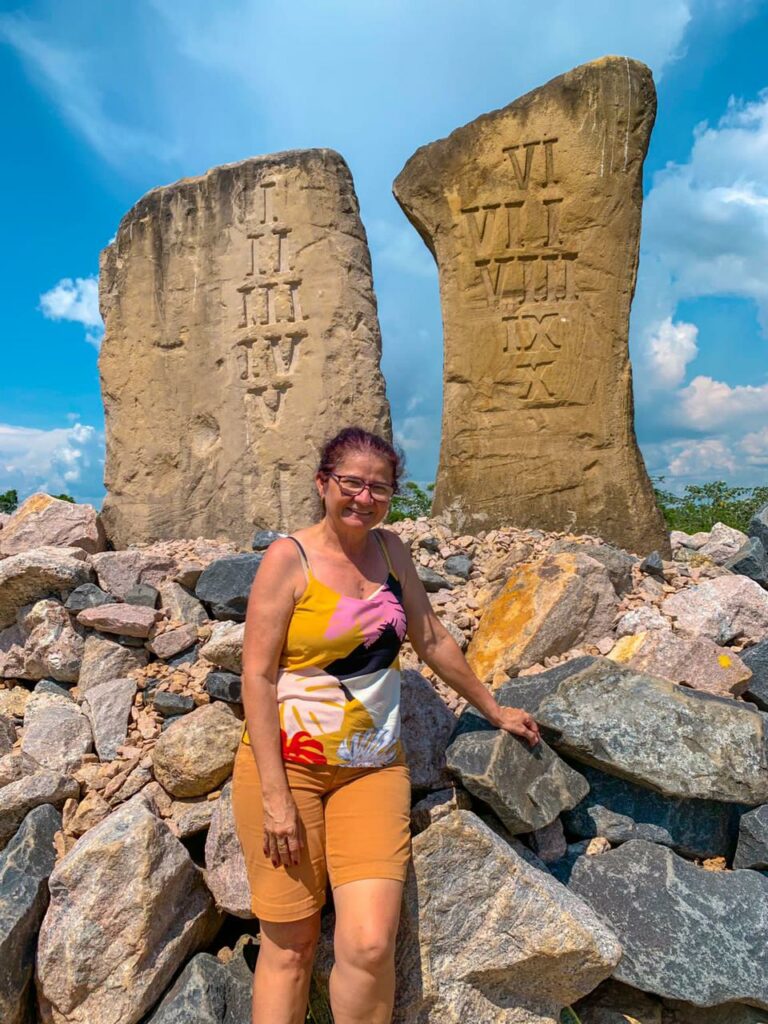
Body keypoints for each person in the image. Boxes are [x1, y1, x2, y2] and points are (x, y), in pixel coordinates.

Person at [231, 426, 540, 1024]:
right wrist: (275, 799)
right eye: (351, 483)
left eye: (380, 488)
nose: (364, 498)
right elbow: (258, 677)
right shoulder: (286, 558)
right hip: (287, 771)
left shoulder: (394, 551)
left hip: (372, 770)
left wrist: (493, 708)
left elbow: (430, 637)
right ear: (323, 484)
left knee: (370, 943)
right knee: (290, 946)